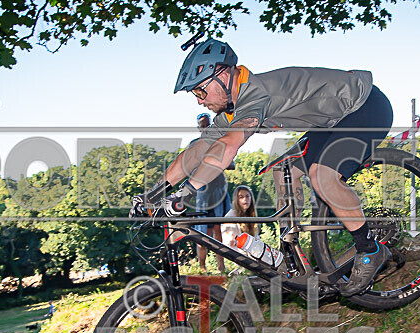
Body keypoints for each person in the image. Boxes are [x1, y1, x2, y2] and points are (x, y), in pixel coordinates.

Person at [131, 39, 394, 296]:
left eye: (200, 91)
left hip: (364, 105)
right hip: (333, 122)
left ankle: (369, 249)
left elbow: (229, 145)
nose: (200, 101)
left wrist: (186, 193)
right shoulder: (232, 110)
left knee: (321, 176)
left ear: (223, 75)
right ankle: (291, 262)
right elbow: (197, 151)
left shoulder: (255, 95)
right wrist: (153, 194)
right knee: (283, 171)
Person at [192, 113, 231, 274]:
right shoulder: (194, 145)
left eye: (208, 125)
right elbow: (189, 167)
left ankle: (221, 267)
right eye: (203, 126)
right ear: (199, 128)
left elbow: (231, 164)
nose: (206, 128)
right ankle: (202, 267)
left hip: (219, 191)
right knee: (202, 232)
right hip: (203, 193)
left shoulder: (220, 143)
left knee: (218, 230)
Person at [221, 185, 259, 254]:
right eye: (241, 197)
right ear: (236, 200)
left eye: (247, 196)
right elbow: (229, 244)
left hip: (251, 254)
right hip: (238, 256)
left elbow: (256, 240)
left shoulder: (250, 216)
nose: (245, 199)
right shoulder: (231, 216)